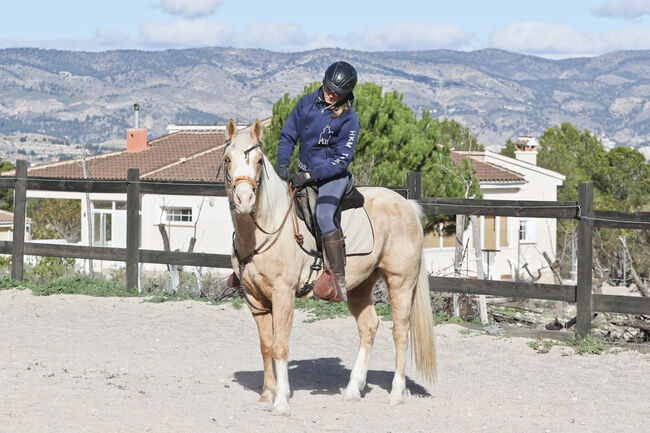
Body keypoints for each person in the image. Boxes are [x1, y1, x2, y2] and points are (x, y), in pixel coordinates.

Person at [276, 61, 360, 303]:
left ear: (346, 94)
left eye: (337, 91)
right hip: (301, 171)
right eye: (329, 87)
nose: (330, 92)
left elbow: (342, 160)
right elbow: (288, 135)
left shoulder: (349, 119)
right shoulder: (305, 103)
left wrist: (311, 176)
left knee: (324, 214)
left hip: (332, 176)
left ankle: (337, 280)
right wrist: (283, 163)